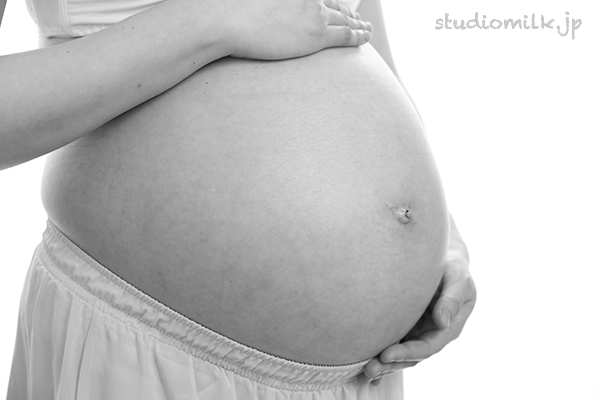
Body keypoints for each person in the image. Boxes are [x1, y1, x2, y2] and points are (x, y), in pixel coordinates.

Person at [1, 0, 476, 398]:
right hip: (157, 347)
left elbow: (350, 24)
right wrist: (208, 21)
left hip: (364, 376)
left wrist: (441, 243)